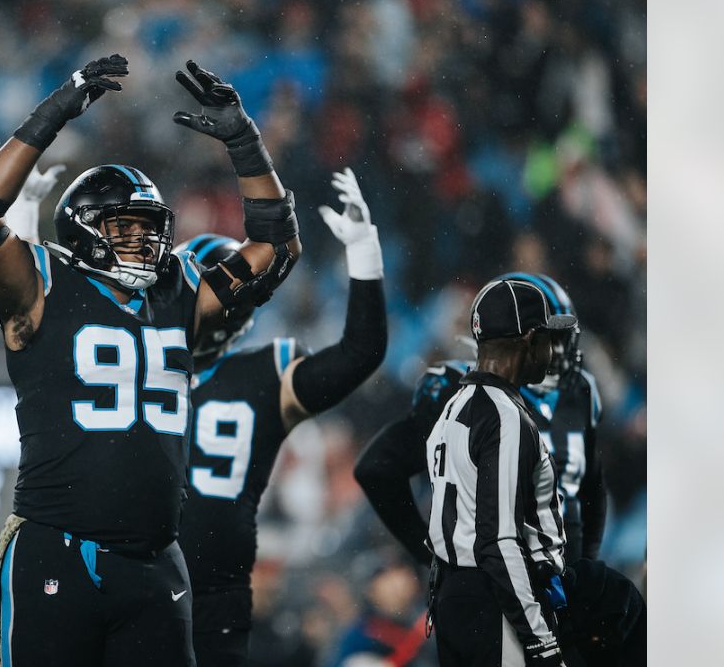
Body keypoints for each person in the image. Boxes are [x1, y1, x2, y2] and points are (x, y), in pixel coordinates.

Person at [0, 55, 301, 667]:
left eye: (150, 228)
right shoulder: (39, 287)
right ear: (83, 230)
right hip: (57, 550)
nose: (143, 242)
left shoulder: (178, 291)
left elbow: (276, 248)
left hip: (155, 562)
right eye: (124, 228)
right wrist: (57, 108)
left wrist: (244, 140)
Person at [175, 167, 388, 667]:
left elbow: (360, 354)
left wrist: (362, 252)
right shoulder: (146, 361)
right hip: (157, 575)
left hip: (200, 582)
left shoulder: (261, 373)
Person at [355, 273, 606, 567]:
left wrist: (587, 565)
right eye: (548, 339)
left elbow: (591, 490)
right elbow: (377, 468)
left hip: (565, 587)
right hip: (495, 590)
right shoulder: (458, 391)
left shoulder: (579, 392)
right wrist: (428, 553)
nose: (558, 351)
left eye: (563, 339)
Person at [423, 277, 577, 666]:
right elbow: (499, 540)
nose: (551, 350)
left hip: (453, 595)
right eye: (546, 337)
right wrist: (541, 641)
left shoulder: (453, 407)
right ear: (529, 340)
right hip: (495, 604)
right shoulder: (504, 417)